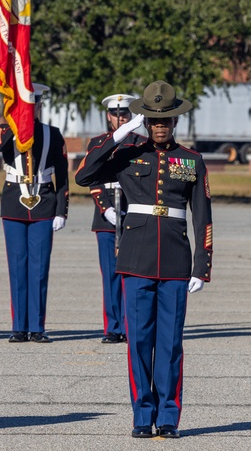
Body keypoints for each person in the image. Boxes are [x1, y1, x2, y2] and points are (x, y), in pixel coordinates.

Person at [75, 80, 213, 440]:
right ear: (145, 122)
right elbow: (84, 175)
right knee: (138, 343)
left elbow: (203, 217)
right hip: (135, 259)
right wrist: (119, 136)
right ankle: (142, 415)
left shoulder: (192, 160)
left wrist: (202, 265)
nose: (160, 126)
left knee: (170, 345)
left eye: (165, 120)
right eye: (153, 120)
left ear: (175, 122)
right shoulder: (127, 155)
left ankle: (168, 417)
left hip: (176, 261)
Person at [0, 84, 69, 343]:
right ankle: (18, 327)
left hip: (44, 201)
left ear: (39, 105)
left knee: (39, 268)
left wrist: (61, 210)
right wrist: (16, 121)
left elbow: (62, 174)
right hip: (14, 201)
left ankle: (37, 327)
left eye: (33, 103)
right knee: (17, 267)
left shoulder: (52, 134)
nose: (29, 107)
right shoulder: (6, 130)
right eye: (24, 103)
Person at [85, 93, 140, 344]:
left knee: (133, 275)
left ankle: (131, 326)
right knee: (110, 275)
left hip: (134, 215)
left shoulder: (140, 143)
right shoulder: (98, 143)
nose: (121, 119)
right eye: (116, 115)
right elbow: (91, 178)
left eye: (125, 114)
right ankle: (113, 327)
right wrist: (105, 208)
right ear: (109, 117)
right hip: (107, 217)